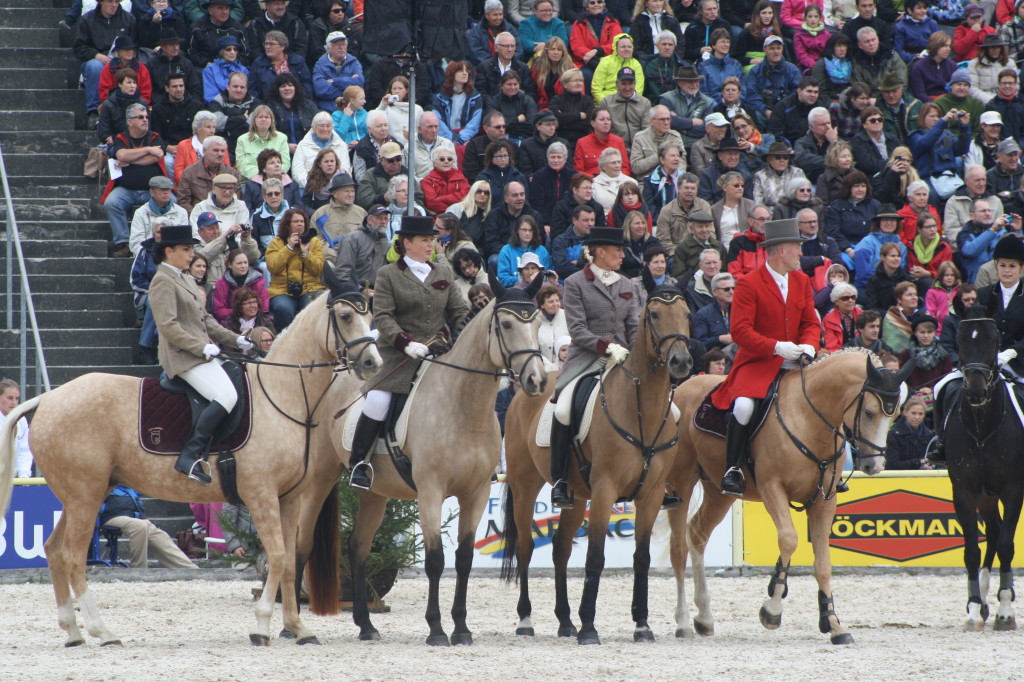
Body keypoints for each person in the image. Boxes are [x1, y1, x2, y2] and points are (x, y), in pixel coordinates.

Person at [348, 216, 470, 489]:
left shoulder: (443, 271)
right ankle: (359, 464)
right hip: (397, 355)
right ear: (407, 243)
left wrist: (469, 330)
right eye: (425, 240)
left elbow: (459, 311)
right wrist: (406, 343)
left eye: (433, 239)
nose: (431, 245)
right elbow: (384, 317)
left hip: (439, 352)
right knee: (378, 401)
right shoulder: (388, 274)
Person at [714, 218, 822, 496]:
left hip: (797, 361)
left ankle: (827, 469)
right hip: (758, 362)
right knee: (743, 407)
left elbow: (810, 323)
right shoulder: (749, 284)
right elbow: (740, 332)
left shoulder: (801, 280)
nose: (801, 253)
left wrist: (809, 346)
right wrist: (776, 347)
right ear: (779, 251)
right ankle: (733, 468)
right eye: (796, 247)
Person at [149, 224, 252, 484]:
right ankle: (190, 455)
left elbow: (205, 319)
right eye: (186, 249)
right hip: (182, 356)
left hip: (200, 353)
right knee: (226, 395)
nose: (191, 254)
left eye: (192, 249)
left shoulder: (184, 277)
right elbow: (168, 326)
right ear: (168, 251)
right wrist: (201, 347)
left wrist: (236, 340)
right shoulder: (162, 281)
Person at [549, 225, 640, 507]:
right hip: (587, 358)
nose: (622, 256)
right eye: (617, 251)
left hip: (624, 359)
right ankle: (561, 479)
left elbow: (634, 326)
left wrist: (635, 353)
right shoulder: (575, 282)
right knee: (564, 408)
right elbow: (576, 329)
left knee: (669, 410)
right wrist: (606, 346)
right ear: (601, 252)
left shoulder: (626, 284)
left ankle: (660, 477)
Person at [102, 102, 167, 258]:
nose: (145, 119)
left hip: (151, 191)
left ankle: (164, 242)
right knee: (111, 202)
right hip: (125, 190)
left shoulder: (155, 137)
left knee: (172, 200)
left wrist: (130, 159)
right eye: (140, 117)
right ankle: (124, 242)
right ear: (129, 121)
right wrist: (147, 150)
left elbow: (156, 156)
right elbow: (121, 155)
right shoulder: (121, 137)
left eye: (146, 117)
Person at [99, 485, 199, 568]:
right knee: (140, 526)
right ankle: (139, 569)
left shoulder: (128, 484)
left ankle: (190, 569)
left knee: (160, 535)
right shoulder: (104, 480)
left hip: (135, 517)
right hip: (111, 517)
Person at [74, 0, 136, 125]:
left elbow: (134, 44)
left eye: (117, 2)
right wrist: (96, 55)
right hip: (96, 59)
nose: (114, 5)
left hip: (121, 58)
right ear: (100, 2)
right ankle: (94, 112)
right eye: (110, 1)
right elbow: (79, 47)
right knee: (95, 67)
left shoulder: (129, 19)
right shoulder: (87, 19)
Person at [264, 208, 326, 329]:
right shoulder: (276, 243)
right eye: (296, 221)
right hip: (281, 289)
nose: (299, 224)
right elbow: (273, 267)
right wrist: (289, 247)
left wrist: (306, 253)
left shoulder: (314, 242)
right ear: (287, 224)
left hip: (309, 287)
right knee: (282, 308)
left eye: (302, 221)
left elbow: (318, 269)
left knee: (312, 307)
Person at [908, 103, 971, 203]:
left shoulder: (946, 134)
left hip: (949, 177)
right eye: (932, 116)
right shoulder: (915, 136)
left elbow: (961, 150)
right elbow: (924, 143)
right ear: (922, 118)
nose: (936, 119)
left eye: (938, 116)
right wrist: (943, 122)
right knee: (932, 197)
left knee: (966, 194)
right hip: (928, 178)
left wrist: (964, 127)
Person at [741, 35, 801, 127]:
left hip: (786, 111)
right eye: (772, 48)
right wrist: (765, 111)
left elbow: (797, 94)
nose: (776, 52)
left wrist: (782, 110)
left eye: (778, 48)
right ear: (764, 50)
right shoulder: (755, 71)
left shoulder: (792, 70)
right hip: (763, 112)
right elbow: (751, 95)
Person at [333, 205, 391, 295]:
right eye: (379, 218)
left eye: (386, 219)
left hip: (379, 292)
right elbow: (342, 272)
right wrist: (360, 290)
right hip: (354, 292)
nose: (383, 222)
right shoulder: (352, 239)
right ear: (369, 220)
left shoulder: (384, 241)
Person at [129, 175, 190, 257]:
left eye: (168, 189)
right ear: (151, 192)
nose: (166, 192)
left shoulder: (181, 212)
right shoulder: (141, 213)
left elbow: (183, 240)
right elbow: (136, 243)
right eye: (161, 190)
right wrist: (152, 256)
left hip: (173, 258)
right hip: (148, 257)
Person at [177, 136, 239, 215]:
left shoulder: (232, 173)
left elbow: (237, 200)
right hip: (199, 219)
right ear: (204, 151)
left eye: (223, 151)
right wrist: (198, 217)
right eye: (216, 150)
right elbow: (183, 202)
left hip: (227, 216)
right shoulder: (189, 173)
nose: (220, 154)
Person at [825, 170, 879, 259]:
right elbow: (833, 231)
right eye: (856, 186)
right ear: (848, 188)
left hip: (870, 246)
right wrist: (847, 249)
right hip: (846, 247)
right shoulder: (837, 206)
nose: (860, 189)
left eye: (863, 186)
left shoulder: (875, 205)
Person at [264, 73, 319, 156]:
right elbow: (267, 133)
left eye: (290, 85)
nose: (287, 89)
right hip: (279, 153)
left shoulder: (308, 105)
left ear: (295, 88)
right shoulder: (270, 107)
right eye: (283, 86)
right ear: (277, 90)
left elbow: (319, 124)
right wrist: (285, 146)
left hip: (308, 150)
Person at [292, 112, 350, 189]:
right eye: (321, 126)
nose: (325, 129)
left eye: (328, 126)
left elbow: (345, 169)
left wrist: (332, 186)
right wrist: (314, 185)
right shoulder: (303, 145)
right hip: (309, 188)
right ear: (314, 127)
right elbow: (297, 172)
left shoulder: (341, 145)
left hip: (336, 188)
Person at [433, 61, 485, 147]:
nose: (465, 73)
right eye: (460, 71)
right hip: (444, 141)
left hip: (466, 141)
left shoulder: (475, 97)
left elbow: (474, 124)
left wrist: (459, 140)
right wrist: (450, 139)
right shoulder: (440, 98)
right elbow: (438, 121)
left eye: (467, 71)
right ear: (451, 73)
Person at [656, 173, 712, 251]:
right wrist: (680, 254)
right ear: (678, 188)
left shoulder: (704, 206)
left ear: (697, 190)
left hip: (701, 251)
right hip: (676, 253)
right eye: (686, 188)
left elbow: (711, 233)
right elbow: (663, 240)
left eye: (693, 188)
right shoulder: (667, 210)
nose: (689, 191)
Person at [899, 314, 953, 395]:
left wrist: (932, 389)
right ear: (915, 333)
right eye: (922, 332)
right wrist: (913, 391)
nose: (926, 336)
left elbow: (947, 380)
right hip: (912, 397)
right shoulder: (905, 355)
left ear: (934, 333)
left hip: (937, 396)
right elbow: (901, 380)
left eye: (929, 332)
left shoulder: (944, 355)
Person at [243, 0, 309, 65]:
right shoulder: (255, 25)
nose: (280, 7)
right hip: (263, 67)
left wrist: (287, 64)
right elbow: (254, 50)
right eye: (277, 4)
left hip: (291, 66)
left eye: (282, 4)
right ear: (267, 5)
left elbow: (301, 49)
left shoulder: (295, 23)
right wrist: (269, 65)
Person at [185, 0, 246, 71]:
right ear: (210, 10)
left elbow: (245, 52)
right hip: (205, 67)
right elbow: (192, 53)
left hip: (233, 66)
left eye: (227, 8)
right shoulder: (197, 28)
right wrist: (206, 63)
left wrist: (233, 63)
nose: (225, 12)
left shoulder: (238, 28)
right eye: (220, 8)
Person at [312, 30, 364, 113]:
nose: (341, 47)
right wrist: (349, 89)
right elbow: (320, 90)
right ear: (328, 48)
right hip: (329, 110)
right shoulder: (320, 64)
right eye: (337, 44)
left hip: (352, 109)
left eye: (343, 44)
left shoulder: (354, 62)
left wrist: (334, 81)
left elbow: (360, 82)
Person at [208, 71, 257, 156]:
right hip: (223, 148)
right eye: (235, 86)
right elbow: (218, 124)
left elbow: (253, 126)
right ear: (228, 86)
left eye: (242, 87)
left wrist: (229, 128)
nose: (238, 90)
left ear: (246, 89)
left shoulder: (256, 103)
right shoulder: (217, 101)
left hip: (249, 147)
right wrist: (242, 118)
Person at [568, 0, 622, 75]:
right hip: (585, 63)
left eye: (599, 2)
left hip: (609, 61)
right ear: (587, 7)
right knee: (586, 75)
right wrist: (592, 60)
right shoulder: (579, 23)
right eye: (592, 3)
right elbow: (577, 47)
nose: (596, 5)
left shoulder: (613, 22)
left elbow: (616, 44)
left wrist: (598, 51)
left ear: (603, 5)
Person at [574, 107, 631, 177]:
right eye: (602, 119)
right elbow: (578, 170)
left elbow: (625, 169)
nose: (606, 122)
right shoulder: (582, 142)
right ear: (593, 123)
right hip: (591, 182)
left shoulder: (618, 141)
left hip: (615, 181)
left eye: (608, 119)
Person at [477, 31, 535, 100]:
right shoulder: (484, 67)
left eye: (512, 46)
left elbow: (530, 93)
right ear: (496, 48)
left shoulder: (523, 68)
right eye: (506, 46)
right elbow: (481, 93)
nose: (510, 50)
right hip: (492, 107)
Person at [243, 149, 301, 216]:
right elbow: (248, 208)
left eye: (279, 162)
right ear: (263, 168)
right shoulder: (252, 185)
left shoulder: (292, 184)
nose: (277, 165)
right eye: (272, 163)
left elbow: (298, 205)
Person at [671, 208, 726, 279]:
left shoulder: (718, 246)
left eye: (707, 226)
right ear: (691, 229)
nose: (704, 230)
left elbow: (724, 270)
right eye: (700, 226)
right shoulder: (682, 248)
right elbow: (679, 274)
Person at [404, 113, 458, 184]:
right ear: (419, 129)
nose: (434, 130)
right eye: (430, 127)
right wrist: (429, 185)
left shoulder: (447, 144)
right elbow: (411, 178)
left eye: (436, 126)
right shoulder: (409, 147)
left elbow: (454, 171)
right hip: (420, 192)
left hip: (445, 189)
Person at [498, 215, 552, 286]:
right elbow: (503, 279)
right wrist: (523, 280)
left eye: (530, 230)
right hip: (514, 291)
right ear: (517, 230)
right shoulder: (506, 250)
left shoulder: (542, 251)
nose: (527, 233)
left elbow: (547, 275)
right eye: (524, 230)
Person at [549, 68, 596, 150]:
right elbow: (556, 120)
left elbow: (588, 124)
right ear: (565, 84)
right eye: (575, 81)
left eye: (581, 80)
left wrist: (564, 121)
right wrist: (579, 115)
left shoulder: (588, 100)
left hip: (583, 142)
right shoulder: (556, 100)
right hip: (560, 142)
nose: (579, 83)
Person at [593, 34, 646, 104]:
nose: (626, 49)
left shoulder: (636, 64)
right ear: (616, 48)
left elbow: (638, 91)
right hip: (607, 103)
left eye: (629, 47)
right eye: (623, 47)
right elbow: (596, 89)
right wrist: (606, 104)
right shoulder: (605, 62)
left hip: (629, 104)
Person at [752, 142, 806, 211]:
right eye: (778, 157)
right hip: (770, 216)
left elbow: (804, 198)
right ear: (769, 160)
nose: (782, 160)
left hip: (793, 213)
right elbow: (758, 203)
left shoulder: (797, 173)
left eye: (785, 157)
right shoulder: (760, 176)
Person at [885, 397, 934, 470]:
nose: (917, 417)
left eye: (920, 414)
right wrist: (918, 463)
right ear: (905, 412)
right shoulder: (893, 434)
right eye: (913, 413)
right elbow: (891, 464)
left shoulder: (929, 435)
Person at [850, 106, 899, 178]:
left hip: (895, 177)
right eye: (873, 120)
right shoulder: (857, 141)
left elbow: (902, 155)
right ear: (864, 125)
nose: (877, 122)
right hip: (871, 180)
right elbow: (867, 164)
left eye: (880, 120)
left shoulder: (892, 139)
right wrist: (891, 163)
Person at [696, 29, 742, 105]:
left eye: (728, 42)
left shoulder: (736, 65)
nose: (726, 45)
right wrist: (718, 106)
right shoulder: (703, 66)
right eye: (722, 42)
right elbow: (703, 93)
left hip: (734, 105)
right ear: (714, 45)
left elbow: (742, 89)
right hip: (712, 107)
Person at [692, 272, 735, 352]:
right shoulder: (703, 314)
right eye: (727, 289)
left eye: (733, 288)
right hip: (716, 358)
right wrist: (719, 339)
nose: (731, 292)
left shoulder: (742, 310)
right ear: (715, 292)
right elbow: (700, 344)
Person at [645, 141, 687, 221]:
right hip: (658, 223)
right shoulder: (650, 180)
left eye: (677, 156)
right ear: (662, 159)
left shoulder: (686, 180)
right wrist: (662, 222)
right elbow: (650, 207)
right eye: (672, 156)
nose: (676, 159)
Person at [376, 75, 424, 146]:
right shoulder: (387, 108)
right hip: (392, 147)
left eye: (400, 88)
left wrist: (412, 136)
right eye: (394, 89)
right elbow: (374, 119)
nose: (397, 91)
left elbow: (423, 132)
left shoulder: (417, 109)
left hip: (413, 147)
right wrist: (383, 104)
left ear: (407, 90)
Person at [0, 379, 34, 478]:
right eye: (10, 398)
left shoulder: (21, 420)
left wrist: (24, 475)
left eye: (16, 398)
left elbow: (25, 451)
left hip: (13, 480)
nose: (14, 402)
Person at [531, 35, 576, 109]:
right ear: (546, 51)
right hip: (543, 107)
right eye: (552, 49)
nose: (556, 52)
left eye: (559, 50)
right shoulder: (537, 68)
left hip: (565, 107)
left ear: (563, 52)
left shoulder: (572, 69)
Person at [725, 203, 769, 275]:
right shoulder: (737, 243)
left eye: (768, 219)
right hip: (746, 284)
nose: (765, 223)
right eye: (761, 219)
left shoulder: (773, 242)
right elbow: (734, 272)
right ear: (750, 221)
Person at [202, 34, 248, 103]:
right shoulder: (209, 70)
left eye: (235, 49)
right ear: (221, 51)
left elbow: (247, 93)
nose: (232, 52)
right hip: (217, 107)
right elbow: (210, 96)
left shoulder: (243, 70)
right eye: (228, 49)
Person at [448, 180, 493, 249]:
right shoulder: (456, 208)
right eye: (479, 191)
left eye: (486, 193)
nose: (482, 194)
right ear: (472, 192)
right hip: (455, 249)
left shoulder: (488, 215)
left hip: (476, 253)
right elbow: (447, 232)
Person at [810, 33, 853, 103]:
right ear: (832, 47)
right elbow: (820, 90)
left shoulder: (849, 63)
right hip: (828, 100)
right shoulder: (821, 64)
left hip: (847, 100)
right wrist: (831, 105)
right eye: (838, 46)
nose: (842, 49)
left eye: (844, 46)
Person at [881, 279, 920, 354]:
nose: (914, 297)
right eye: (909, 295)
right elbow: (890, 341)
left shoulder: (924, 315)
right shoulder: (892, 316)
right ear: (899, 299)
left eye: (915, 294)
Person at [301, 147, 344, 212]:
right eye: (326, 161)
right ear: (319, 164)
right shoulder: (312, 180)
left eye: (332, 161)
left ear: (336, 163)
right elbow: (305, 204)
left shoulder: (344, 178)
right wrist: (316, 215)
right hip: (318, 216)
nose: (329, 164)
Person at [535, 284, 569, 365]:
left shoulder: (567, 316)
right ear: (542, 305)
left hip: (567, 367)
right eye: (551, 302)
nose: (555, 304)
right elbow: (534, 350)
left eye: (557, 301)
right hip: (543, 368)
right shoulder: (534, 320)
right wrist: (549, 366)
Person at [822, 282, 861, 351]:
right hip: (838, 355)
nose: (850, 300)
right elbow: (831, 345)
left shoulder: (862, 315)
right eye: (845, 298)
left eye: (853, 297)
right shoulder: (828, 319)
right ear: (836, 301)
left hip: (861, 353)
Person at [620, 209, 658, 278]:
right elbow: (616, 269)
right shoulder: (620, 244)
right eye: (637, 223)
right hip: (627, 282)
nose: (641, 226)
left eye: (643, 223)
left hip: (650, 281)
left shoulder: (654, 242)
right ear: (628, 225)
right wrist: (628, 279)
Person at [926, 261, 961, 333]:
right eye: (946, 275)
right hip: (939, 331)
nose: (949, 278)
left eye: (952, 275)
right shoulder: (932, 292)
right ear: (941, 276)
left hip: (957, 329)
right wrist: (937, 329)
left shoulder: (960, 291)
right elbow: (931, 312)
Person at [794, 5, 830, 72]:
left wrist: (822, 64)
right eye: (810, 16)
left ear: (820, 18)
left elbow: (829, 52)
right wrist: (815, 66)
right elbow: (801, 56)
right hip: (805, 65)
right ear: (805, 18)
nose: (813, 19)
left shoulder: (826, 34)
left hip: (824, 64)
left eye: (816, 16)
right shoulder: (799, 35)